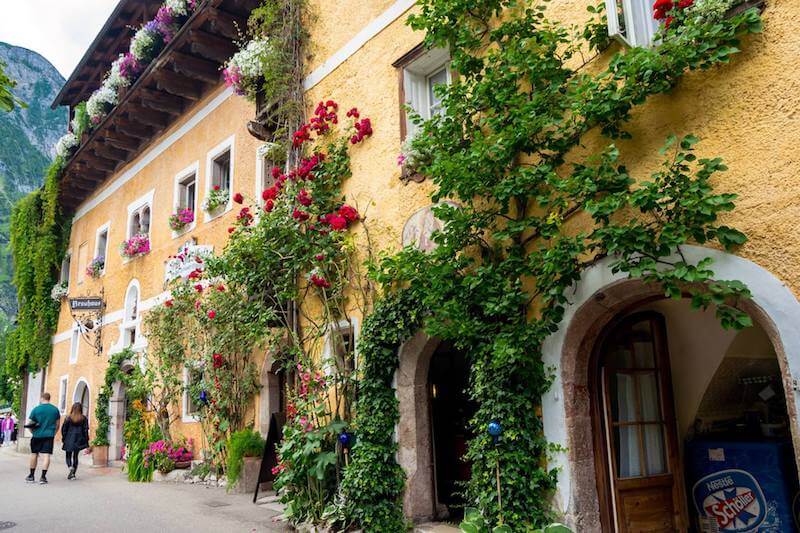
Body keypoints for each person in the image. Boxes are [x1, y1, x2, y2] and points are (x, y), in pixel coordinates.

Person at [26, 393, 61, 484]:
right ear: (49, 399)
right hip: (49, 435)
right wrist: (53, 432)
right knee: (46, 455)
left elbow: (30, 423)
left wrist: (32, 432)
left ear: (42, 398)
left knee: (34, 454)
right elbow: (57, 424)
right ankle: (43, 477)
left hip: (37, 435)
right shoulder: (55, 410)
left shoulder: (36, 409)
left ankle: (31, 476)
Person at [61, 402, 90, 480]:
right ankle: (73, 474)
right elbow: (85, 431)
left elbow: (64, 429)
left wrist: (64, 438)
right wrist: (86, 442)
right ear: (81, 409)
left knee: (68, 456)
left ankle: (70, 467)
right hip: (79, 439)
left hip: (69, 439)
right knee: (75, 456)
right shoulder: (84, 418)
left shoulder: (68, 418)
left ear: (72, 408)